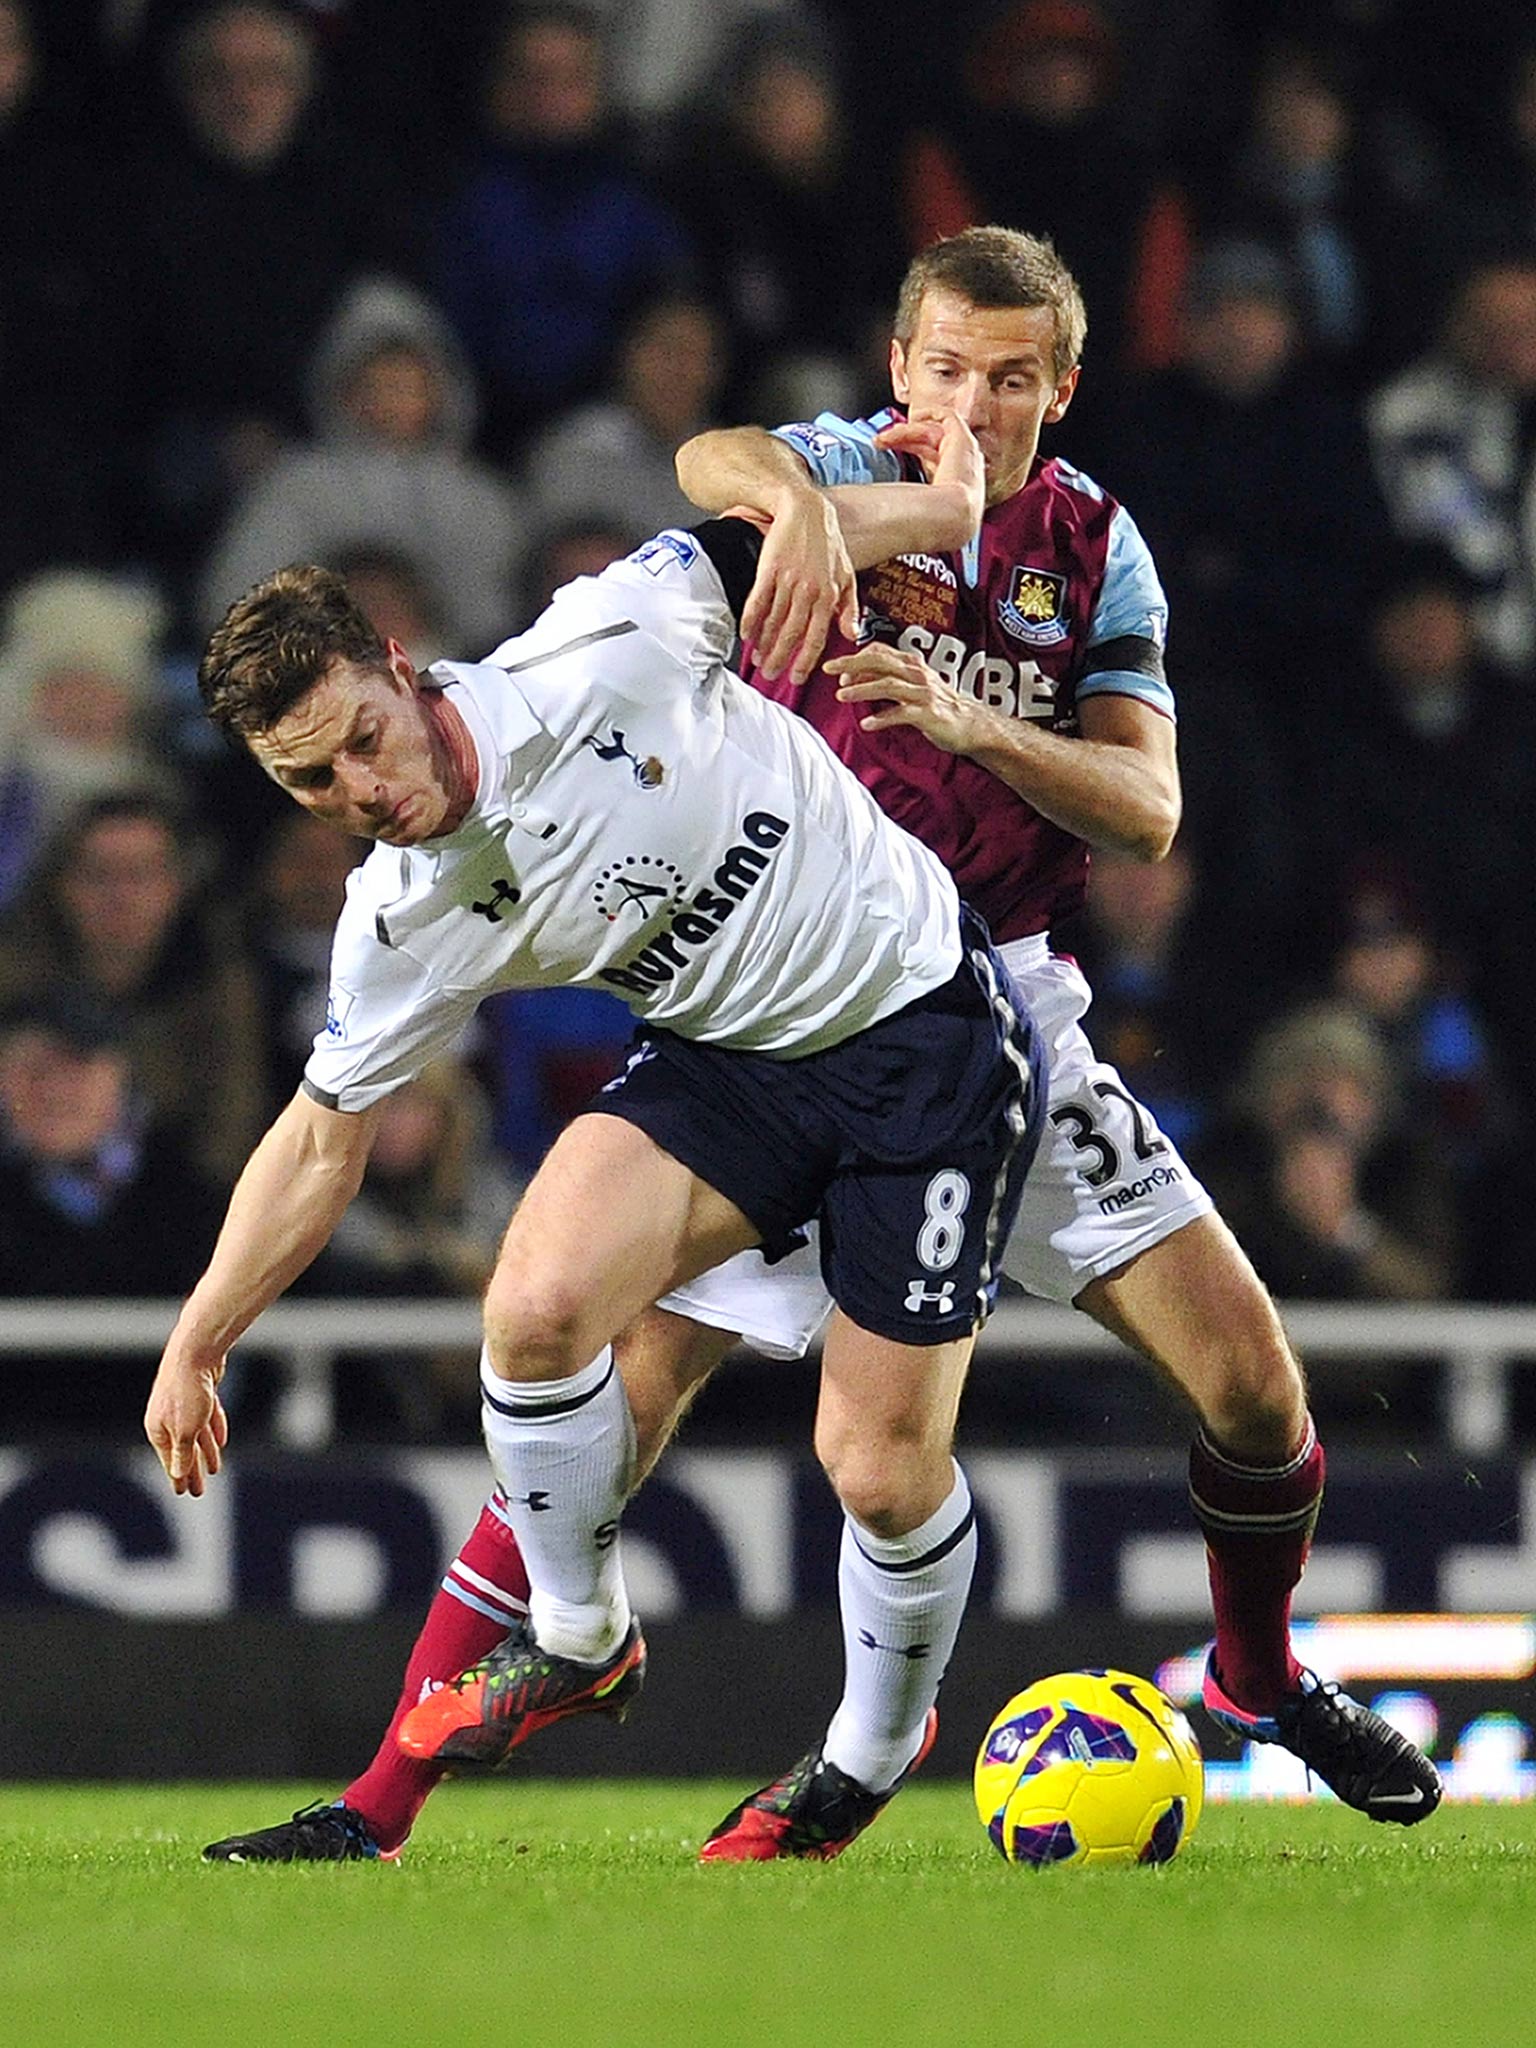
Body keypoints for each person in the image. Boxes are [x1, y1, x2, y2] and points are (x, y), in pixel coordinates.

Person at [203, 226, 1441, 1870]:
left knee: (1250, 1391)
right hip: (756, 1012)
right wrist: (788, 503)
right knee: (589, 1381)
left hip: (991, 1000)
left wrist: (983, 726)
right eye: (946, 371)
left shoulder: (1097, 551)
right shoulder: (847, 477)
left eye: (1012, 380)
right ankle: (382, 1805)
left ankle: (1260, 1672)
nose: (974, 408)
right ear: (899, 371)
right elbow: (710, 466)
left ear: (1061, 389)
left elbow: (1148, 813)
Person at [148, 457, 1047, 1864]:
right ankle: (578, 1638)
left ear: (401, 663)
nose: (358, 792)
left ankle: (872, 1751)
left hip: (915, 1034)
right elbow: (321, 1139)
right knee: (537, 1308)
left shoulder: (605, 642)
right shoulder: (401, 915)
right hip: (726, 1064)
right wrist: (200, 1337)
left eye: (362, 741)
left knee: (873, 1467)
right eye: (307, 781)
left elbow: (803, 529)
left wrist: (917, 512)